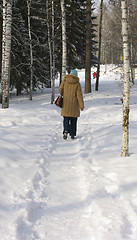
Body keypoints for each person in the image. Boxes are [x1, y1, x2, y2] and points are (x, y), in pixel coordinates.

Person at [59, 69, 84, 140]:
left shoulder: (65, 81)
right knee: (74, 119)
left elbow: (60, 90)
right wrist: (81, 106)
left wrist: (63, 93)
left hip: (66, 103)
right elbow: (79, 96)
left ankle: (66, 130)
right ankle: (72, 134)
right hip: (74, 105)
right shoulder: (77, 84)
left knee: (66, 118)